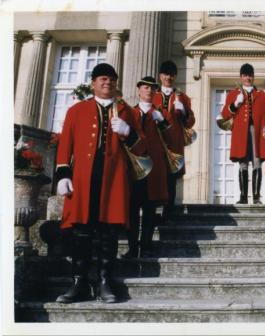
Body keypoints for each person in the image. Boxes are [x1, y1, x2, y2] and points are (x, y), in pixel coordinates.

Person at [55, 63, 146, 303]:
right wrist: (63, 173)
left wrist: (129, 132)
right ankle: (79, 282)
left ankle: (105, 281)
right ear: (94, 82)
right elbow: (66, 144)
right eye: (103, 79)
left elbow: (142, 149)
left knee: (109, 232)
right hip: (83, 179)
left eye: (112, 79)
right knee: (80, 231)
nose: (108, 83)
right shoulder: (77, 110)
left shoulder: (128, 112)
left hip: (113, 179)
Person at [122, 76, 171, 259]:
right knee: (132, 209)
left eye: (152, 88)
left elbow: (173, 138)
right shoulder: (130, 112)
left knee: (150, 210)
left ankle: (147, 245)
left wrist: (163, 122)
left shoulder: (161, 113)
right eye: (145, 87)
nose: (149, 91)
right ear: (139, 90)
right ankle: (133, 247)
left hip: (154, 168)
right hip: (134, 168)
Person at [220, 63, 265, 204]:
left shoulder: (262, 95)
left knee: (257, 162)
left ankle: (256, 196)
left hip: (257, 132)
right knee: (242, 164)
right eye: (245, 75)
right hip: (241, 132)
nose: (248, 78)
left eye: (250, 75)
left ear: (253, 77)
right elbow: (224, 115)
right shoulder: (233, 94)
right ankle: (242, 197)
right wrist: (235, 104)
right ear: (241, 77)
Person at [152, 60, 195, 210]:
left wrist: (184, 112)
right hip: (155, 142)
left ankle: (168, 212)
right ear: (160, 76)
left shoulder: (182, 97)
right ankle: (155, 210)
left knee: (171, 178)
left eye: (171, 75)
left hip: (174, 142)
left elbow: (190, 123)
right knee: (155, 176)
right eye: (165, 74)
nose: (168, 77)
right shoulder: (152, 95)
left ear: (175, 77)